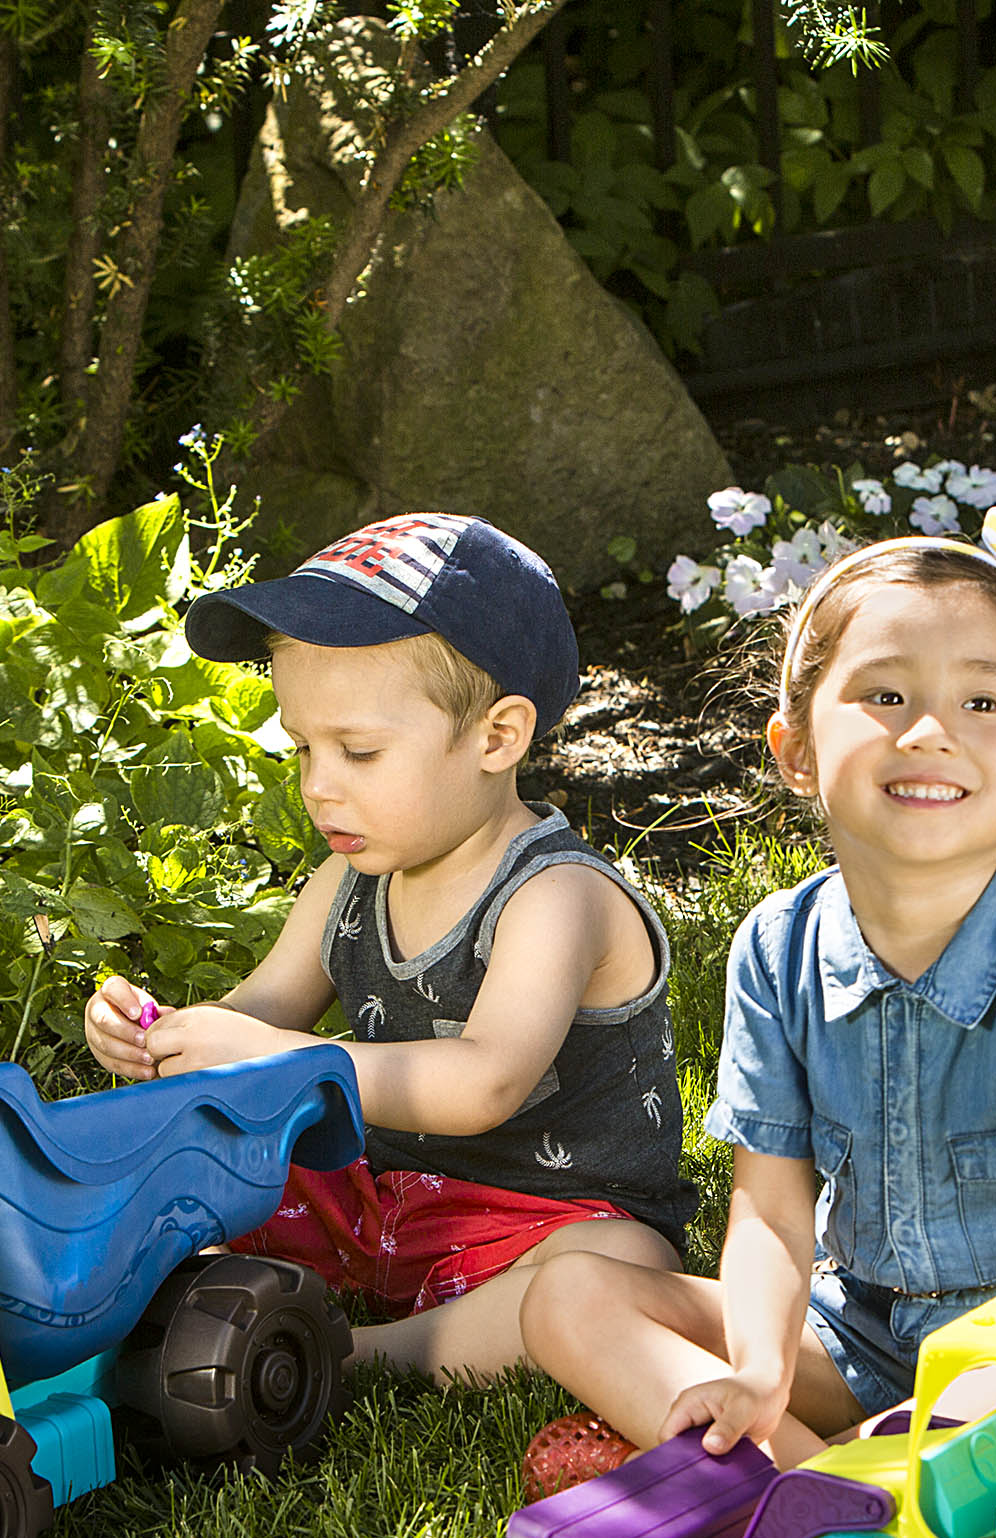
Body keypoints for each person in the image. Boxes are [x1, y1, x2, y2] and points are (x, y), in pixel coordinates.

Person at [519, 507, 996, 1469]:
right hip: (859, 1330)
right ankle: (816, 1471)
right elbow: (773, 1212)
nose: (932, 732)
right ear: (797, 753)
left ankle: (784, 1476)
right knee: (569, 1294)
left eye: (982, 703)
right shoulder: (777, 951)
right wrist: (758, 1364)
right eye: (886, 695)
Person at [84, 513, 693, 1381]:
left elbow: (487, 1080)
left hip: (536, 1225)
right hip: (375, 1199)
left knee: (620, 1269)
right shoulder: (349, 879)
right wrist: (167, 1035)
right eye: (303, 749)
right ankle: (207, 1298)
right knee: (185, 1164)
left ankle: (356, 1353)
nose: (319, 785)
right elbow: (261, 1012)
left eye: (359, 752)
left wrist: (282, 1059)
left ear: (497, 737)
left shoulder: (556, 896)